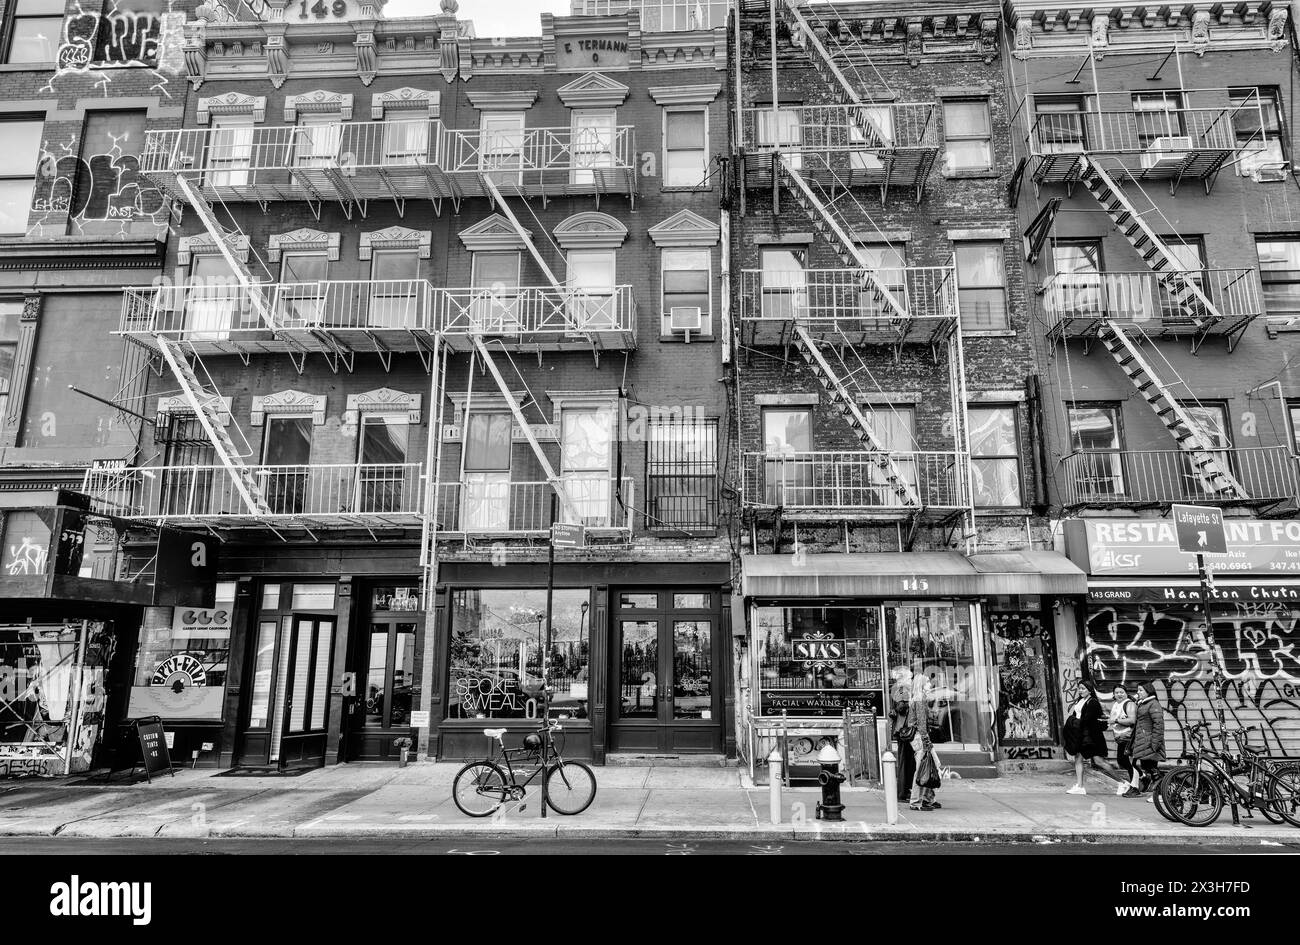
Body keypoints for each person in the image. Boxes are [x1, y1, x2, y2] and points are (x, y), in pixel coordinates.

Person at [1062, 680, 1112, 795]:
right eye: (1079, 688)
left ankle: (1122, 782)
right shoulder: (1081, 701)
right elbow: (1077, 716)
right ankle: (1080, 786)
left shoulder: (1093, 702)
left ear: (1089, 690)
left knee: (1099, 761)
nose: (1080, 691)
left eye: (1083, 688)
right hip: (1082, 735)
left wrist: (1072, 721)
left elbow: (1087, 720)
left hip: (1091, 737)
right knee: (1078, 757)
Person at [1125, 681, 1165, 797]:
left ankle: (1162, 795)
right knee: (1146, 768)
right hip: (1142, 742)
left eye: (1141, 690)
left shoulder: (1153, 704)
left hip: (1149, 743)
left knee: (1152, 770)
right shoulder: (1143, 704)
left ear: (1148, 691)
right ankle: (1142, 787)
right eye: (1138, 690)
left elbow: (1159, 725)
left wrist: (1155, 744)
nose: (1138, 692)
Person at [908, 676, 941, 811]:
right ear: (921, 685)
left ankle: (928, 799)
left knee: (929, 765)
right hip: (920, 737)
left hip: (920, 737)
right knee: (922, 768)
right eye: (927, 682)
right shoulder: (920, 699)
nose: (930, 684)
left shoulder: (919, 698)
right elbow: (921, 725)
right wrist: (927, 742)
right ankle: (916, 801)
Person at [890, 684, 916, 802]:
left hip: (904, 731)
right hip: (905, 732)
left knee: (907, 763)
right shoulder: (904, 692)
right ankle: (903, 792)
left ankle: (905, 791)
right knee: (906, 763)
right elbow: (901, 708)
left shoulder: (899, 691)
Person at [1109, 684, 1136, 794]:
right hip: (1120, 736)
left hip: (1127, 736)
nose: (1119, 694)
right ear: (1114, 694)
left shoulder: (1129, 704)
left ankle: (1137, 782)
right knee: (1123, 760)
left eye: (1121, 692)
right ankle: (1138, 780)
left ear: (1126, 693)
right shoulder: (1116, 704)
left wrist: (1116, 721)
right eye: (1117, 692)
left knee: (1123, 760)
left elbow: (1132, 720)